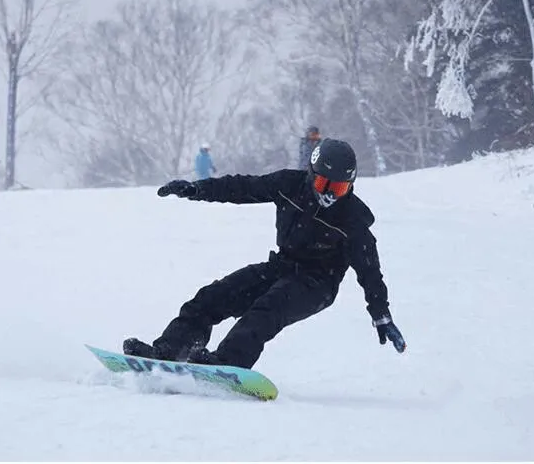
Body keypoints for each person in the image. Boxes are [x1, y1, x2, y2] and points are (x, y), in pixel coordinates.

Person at [124, 138, 406, 370]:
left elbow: (370, 272)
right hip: (282, 266)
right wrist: (197, 188)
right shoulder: (289, 185)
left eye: (340, 188)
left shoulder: (353, 220)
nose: (331, 195)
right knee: (214, 296)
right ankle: (169, 351)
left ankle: (227, 363)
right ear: (311, 174)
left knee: (266, 310)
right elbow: (241, 187)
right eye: (324, 185)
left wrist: (381, 314)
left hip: (318, 284)